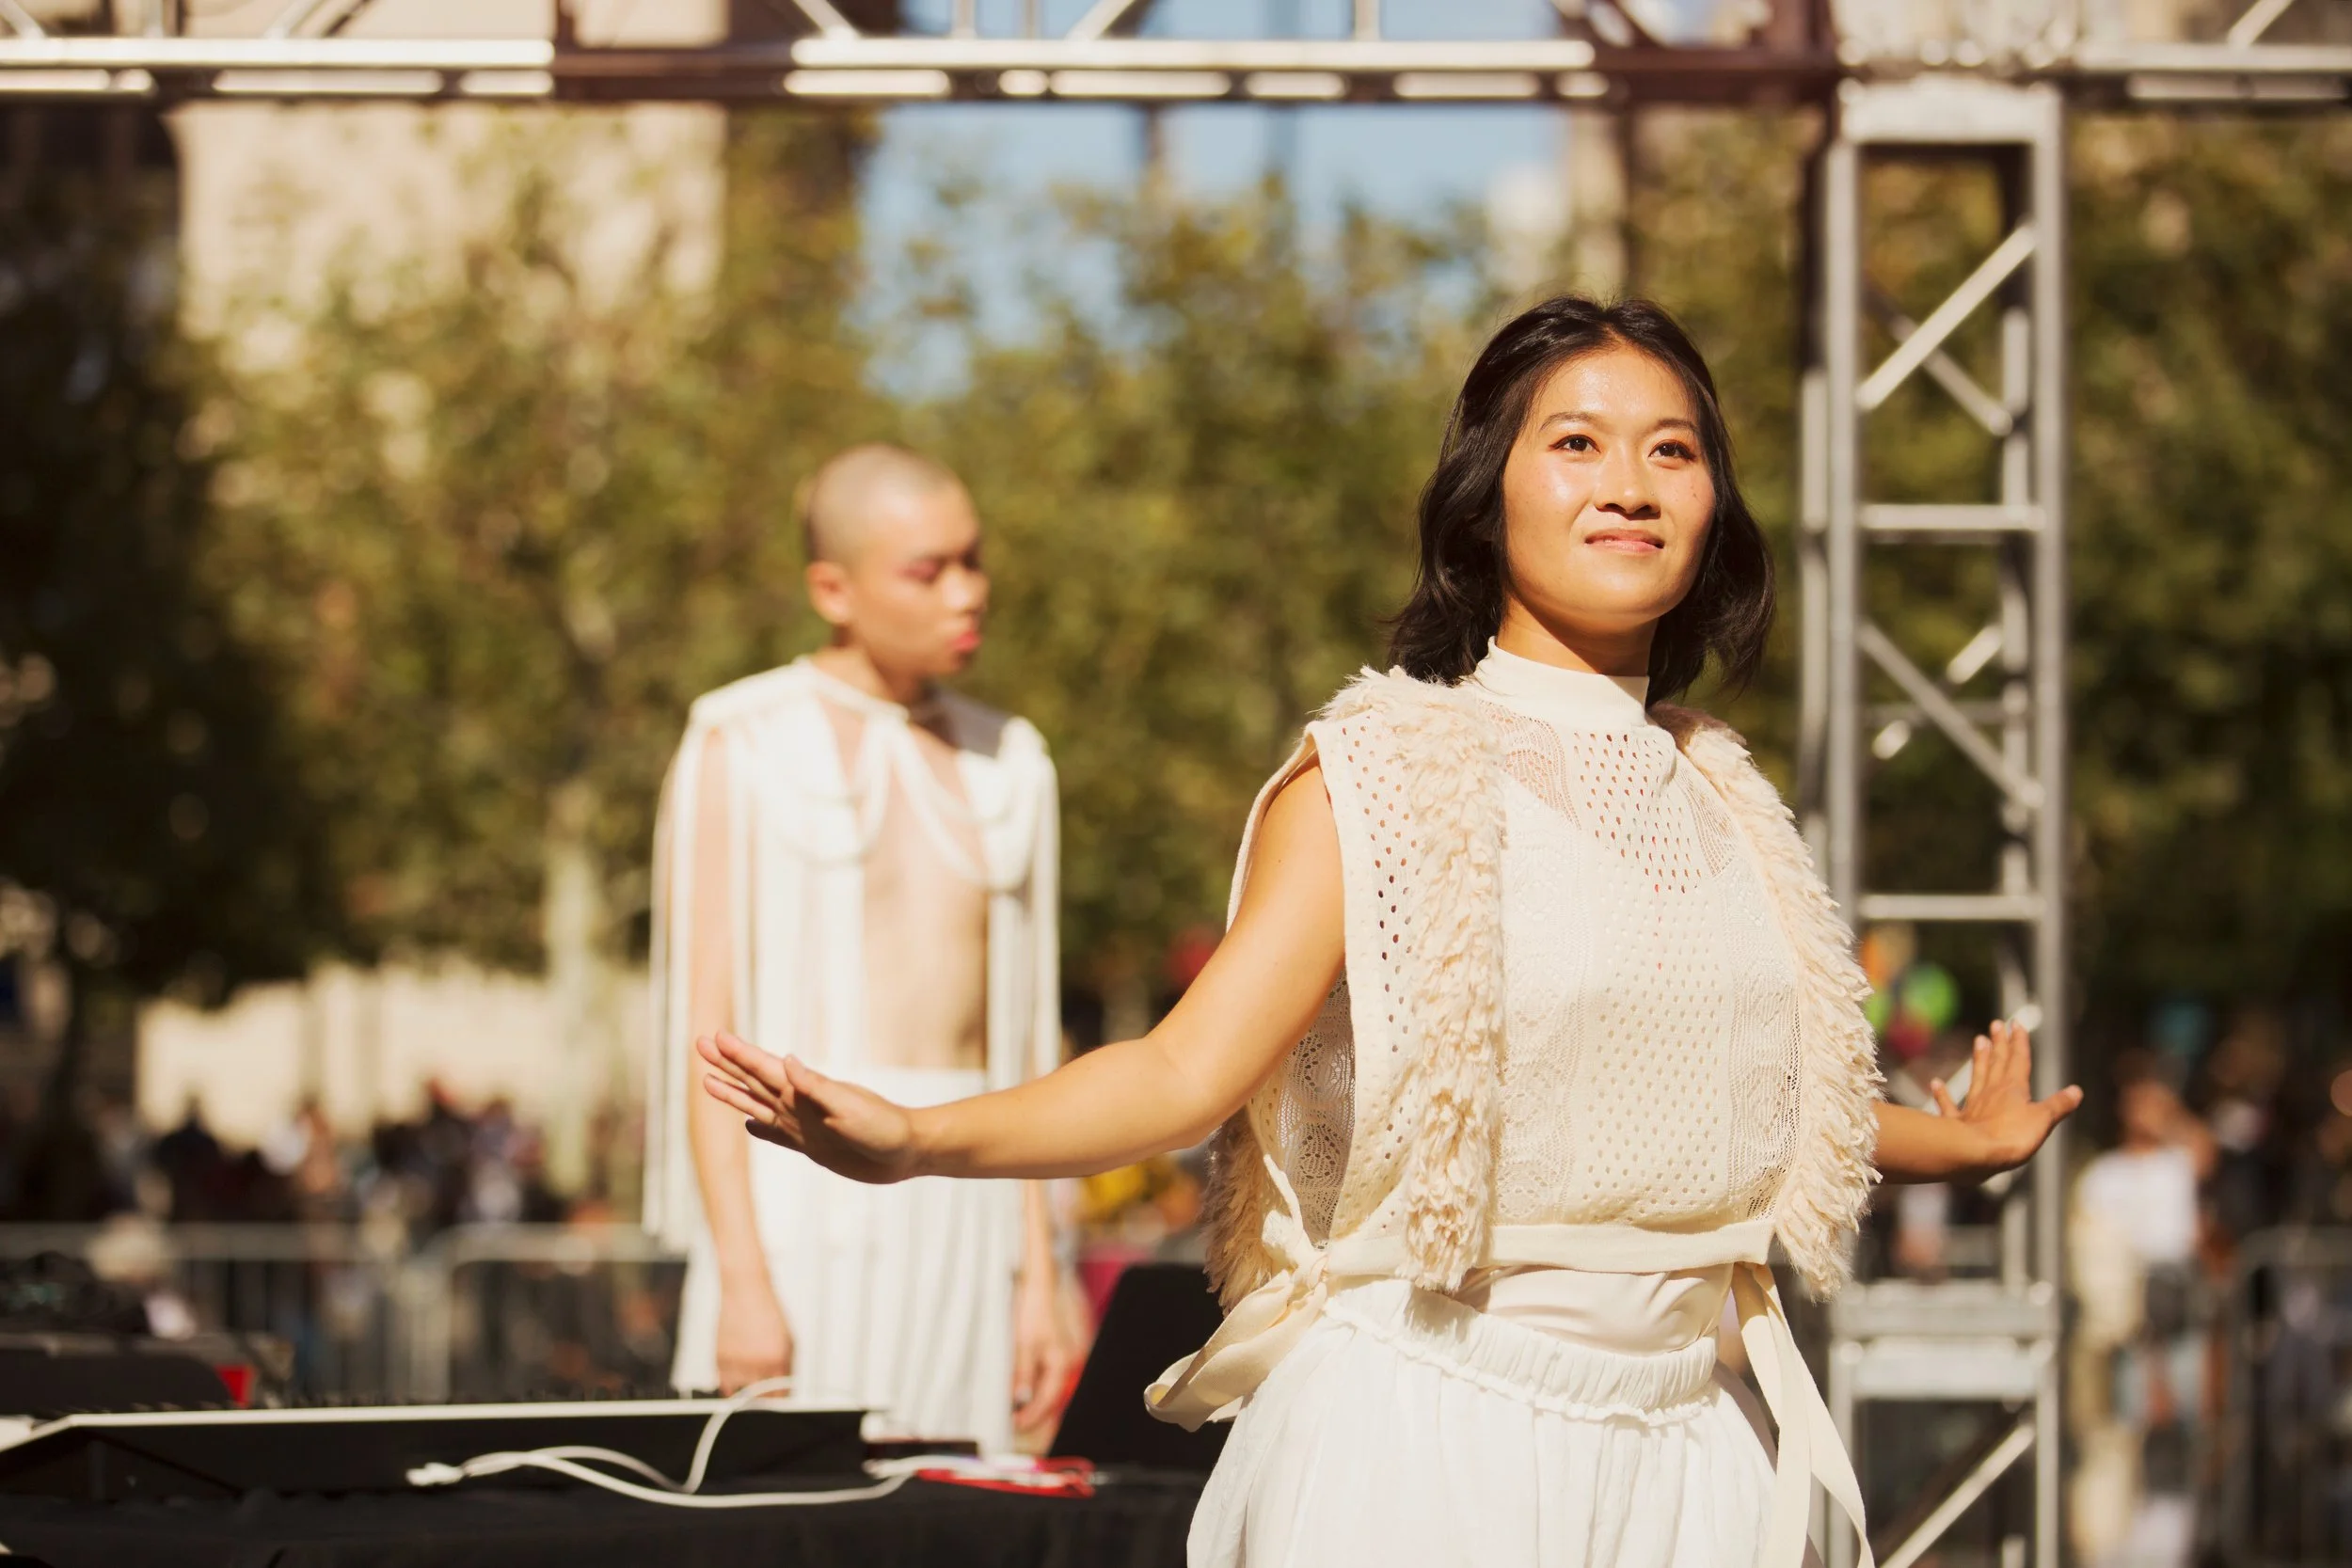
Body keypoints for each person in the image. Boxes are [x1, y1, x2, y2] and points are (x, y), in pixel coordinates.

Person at [700, 299, 2079, 1566]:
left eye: (1673, 449)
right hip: (1437, 1438)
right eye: (1578, 442)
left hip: (1694, 1451)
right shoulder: (1382, 770)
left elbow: (1719, 1096)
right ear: (1485, 500)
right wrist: (922, 1139)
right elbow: (1186, 1072)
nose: (1631, 484)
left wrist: (1953, 1138)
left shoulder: (1721, 789)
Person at [643, 443, 1074, 1452]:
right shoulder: (738, 738)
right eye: (927, 569)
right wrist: (741, 1280)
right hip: (797, 1207)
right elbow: (705, 1035)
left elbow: (1024, 1040)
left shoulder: (1011, 757)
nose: (967, 591)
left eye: (972, 558)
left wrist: (1043, 1275)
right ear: (831, 588)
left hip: (969, 1204)